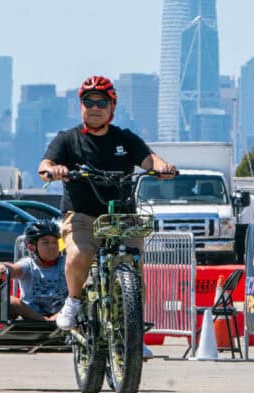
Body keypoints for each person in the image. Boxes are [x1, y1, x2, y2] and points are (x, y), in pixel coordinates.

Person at [38, 75, 176, 331]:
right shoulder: (68, 139)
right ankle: (74, 300)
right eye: (88, 102)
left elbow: (149, 159)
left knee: (132, 267)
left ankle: (132, 334)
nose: (95, 108)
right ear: (80, 106)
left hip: (122, 218)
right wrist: (54, 170)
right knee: (79, 254)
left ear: (113, 106)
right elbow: (44, 166)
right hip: (81, 216)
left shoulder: (125, 139)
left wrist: (162, 167)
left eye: (102, 102)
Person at [0, 220, 67, 321]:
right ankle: (44, 320)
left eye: (55, 242)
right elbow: (14, 269)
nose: (52, 247)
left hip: (62, 314)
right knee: (4, 300)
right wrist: (3, 267)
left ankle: (52, 319)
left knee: (80, 299)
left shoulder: (65, 263)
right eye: (46, 243)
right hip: (31, 316)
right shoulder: (28, 264)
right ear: (31, 248)